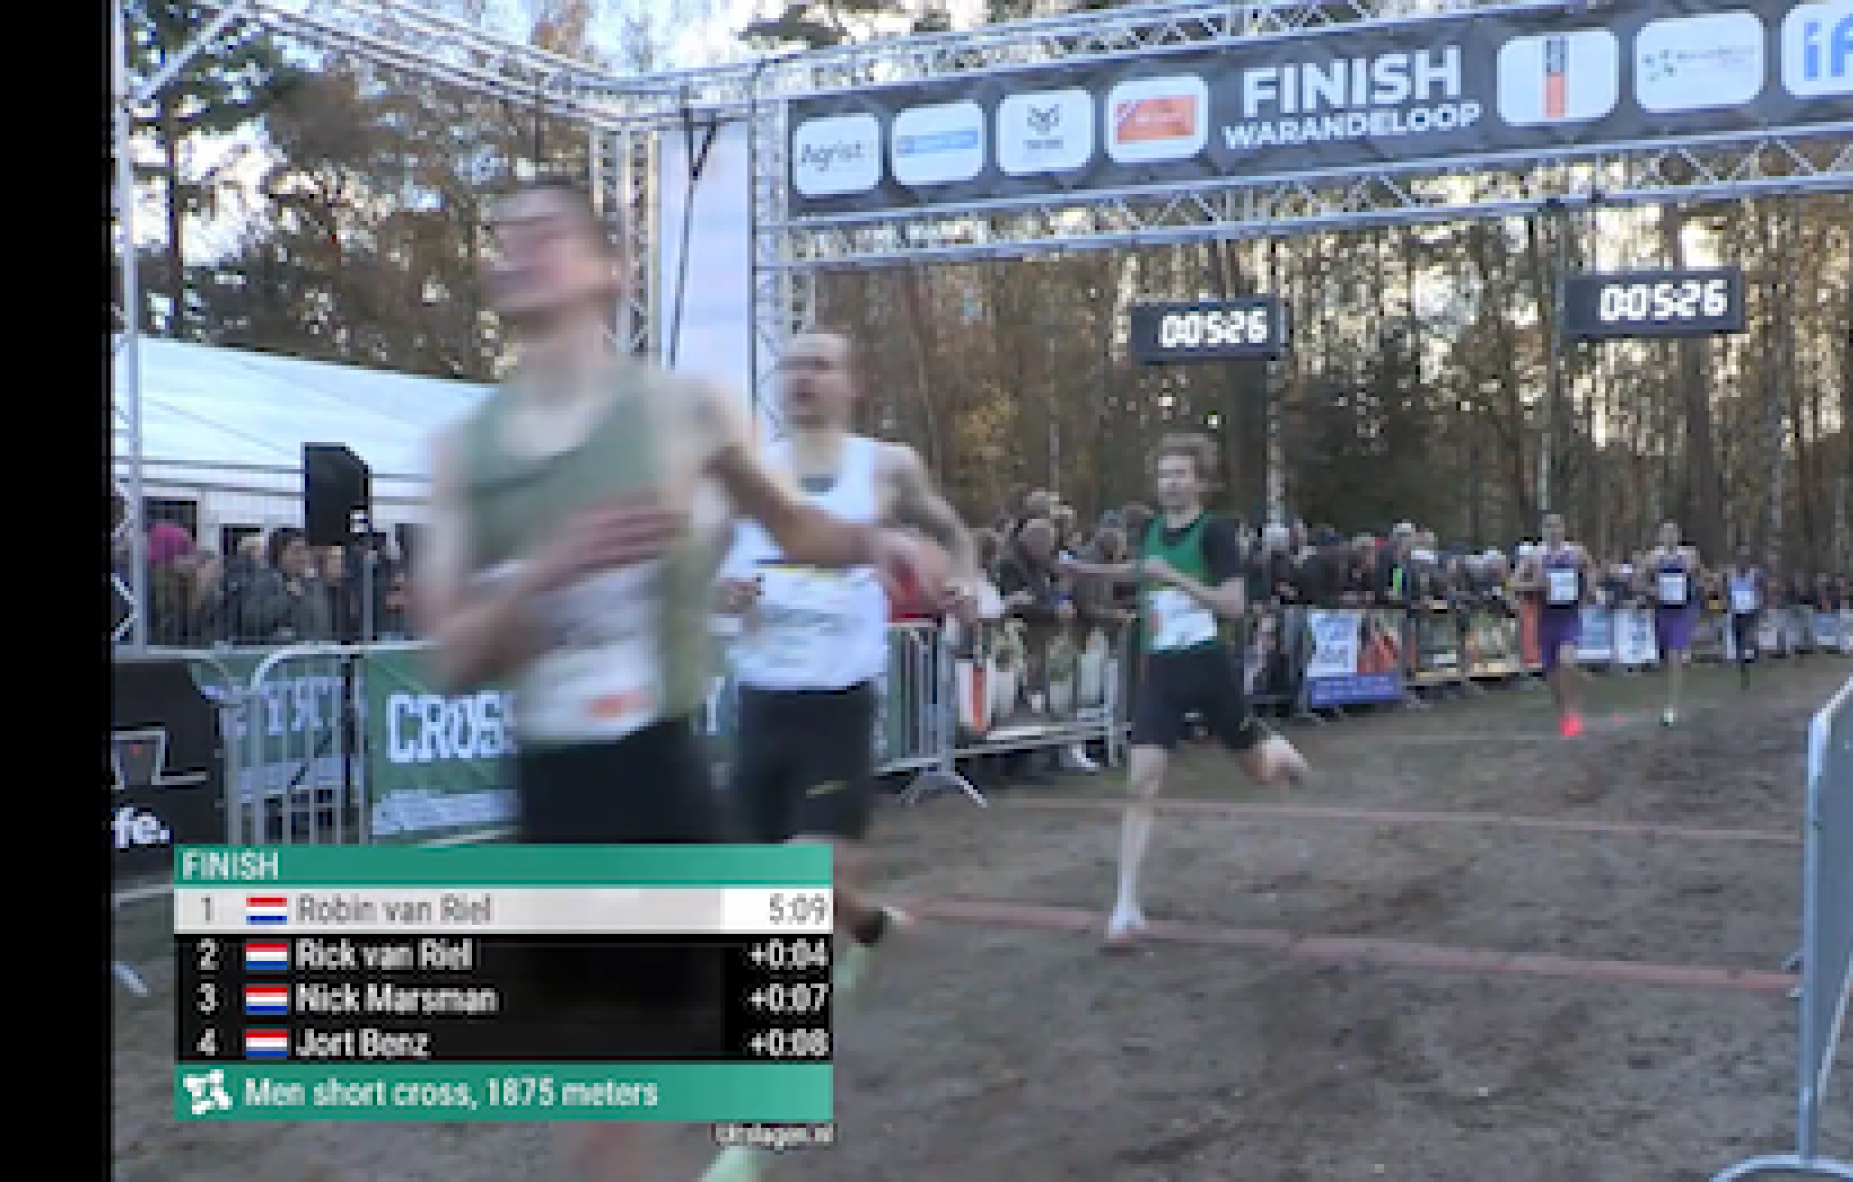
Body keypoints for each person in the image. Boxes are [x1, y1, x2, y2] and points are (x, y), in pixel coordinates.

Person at [410, 178, 942, 1182]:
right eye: (502, 236)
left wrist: (875, 540)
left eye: (545, 231)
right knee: (602, 1114)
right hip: (555, 793)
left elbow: (793, 525)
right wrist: (549, 570)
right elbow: (448, 656)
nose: (517, 249)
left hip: (665, 773)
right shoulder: (459, 453)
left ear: (607, 270)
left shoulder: (682, 410)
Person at [716, 330, 979, 1002]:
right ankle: (864, 921)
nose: (804, 378)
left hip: (838, 701)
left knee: (805, 873)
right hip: (761, 698)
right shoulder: (752, 474)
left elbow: (951, 531)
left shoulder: (887, 466)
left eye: (821, 366)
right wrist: (724, 592)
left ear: (853, 383)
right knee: (758, 879)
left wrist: (964, 582)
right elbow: (708, 566)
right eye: (792, 366)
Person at [1062, 433, 1311, 950]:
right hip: (1163, 673)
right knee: (1141, 784)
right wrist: (1086, 570)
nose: (1170, 483)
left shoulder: (1215, 534)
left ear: (1200, 482)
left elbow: (1234, 605)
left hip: (1210, 668)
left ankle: (1278, 751)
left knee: (1258, 772)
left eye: (1180, 474)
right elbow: (1141, 572)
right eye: (1163, 475)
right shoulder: (1151, 530)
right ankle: (1125, 907)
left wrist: (1175, 578)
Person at [1511, 512, 1591, 738]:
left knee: (1567, 660)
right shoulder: (1535, 556)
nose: (1553, 531)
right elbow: (1514, 582)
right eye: (1548, 527)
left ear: (1564, 529)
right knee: (1553, 676)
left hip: (1569, 616)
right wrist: (1534, 585)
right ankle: (1565, 714)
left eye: (1557, 526)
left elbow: (1590, 569)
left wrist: (1589, 592)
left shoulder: (1576, 552)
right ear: (1543, 531)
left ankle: (1573, 710)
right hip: (1546, 618)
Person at [1641, 522, 1705, 727]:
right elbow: (1639, 582)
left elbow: (1702, 578)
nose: (1670, 537)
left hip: (1682, 611)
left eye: (1673, 533)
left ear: (1679, 536)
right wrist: (1650, 590)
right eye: (1666, 533)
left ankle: (1671, 707)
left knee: (1674, 656)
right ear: (1660, 537)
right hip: (1662, 611)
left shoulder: (1689, 555)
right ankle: (1667, 694)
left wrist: (1697, 589)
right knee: (1665, 658)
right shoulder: (1653, 557)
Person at [1726, 547, 1767, 688]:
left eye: (1745, 559)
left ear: (1749, 561)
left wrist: (1760, 604)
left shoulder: (1756, 573)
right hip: (1736, 612)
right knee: (1739, 645)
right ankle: (1744, 674)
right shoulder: (1730, 574)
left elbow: (1763, 588)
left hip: (1751, 612)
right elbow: (1727, 591)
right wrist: (1728, 603)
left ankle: (1755, 648)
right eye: (1740, 559)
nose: (1743, 562)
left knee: (1747, 639)